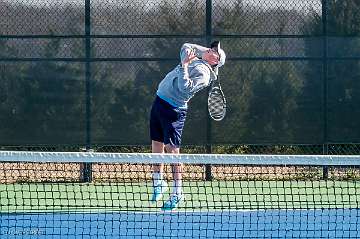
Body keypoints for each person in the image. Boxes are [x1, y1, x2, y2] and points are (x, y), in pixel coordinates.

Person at [149, 41, 226, 210]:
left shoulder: (204, 74)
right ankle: (158, 182)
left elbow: (185, 88)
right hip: (159, 101)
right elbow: (185, 45)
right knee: (156, 143)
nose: (211, 49)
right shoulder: (196, 59)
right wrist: (203, 50)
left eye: (215, 51)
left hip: (173, 110)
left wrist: (184, 65)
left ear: (216, 61)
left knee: (173, 151)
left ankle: (178, 193)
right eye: (212, 47)